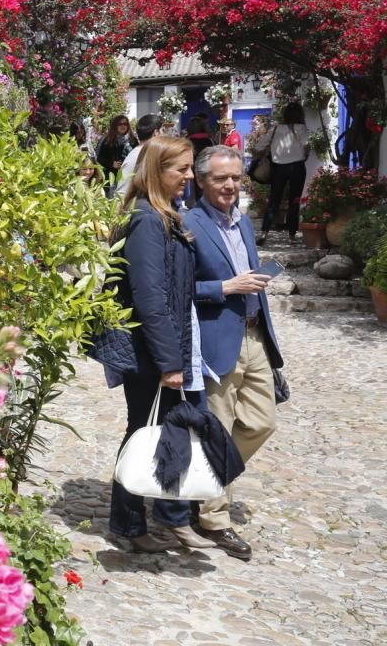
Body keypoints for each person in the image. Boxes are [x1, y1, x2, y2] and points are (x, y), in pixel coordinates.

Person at [108, 136, 214, 552]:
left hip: (165, 348)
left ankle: (160, 519)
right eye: (181, 169)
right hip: (149, 351)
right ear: (156, 172)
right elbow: (151, 298)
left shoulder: (164, 215)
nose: (189, 177)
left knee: (159, 431)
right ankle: (129, 524)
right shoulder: (147, 220)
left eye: (189, 168)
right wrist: (171, 363)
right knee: (143, 433)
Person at [184, 146, 284, 560]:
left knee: (262, 422)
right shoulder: (189, 224)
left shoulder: (243, 223)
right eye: (221, 178)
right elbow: (180, 288)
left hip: (253, 333)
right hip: (215, 341)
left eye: (236, 178)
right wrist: (225, 287)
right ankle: (213, 518)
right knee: (218, 429)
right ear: (202, 181)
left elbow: (249, 274)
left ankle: (202, 482)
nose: (230, 185)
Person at [252, 101, 310, 245]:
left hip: (278, 168)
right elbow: (306, 146)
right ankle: (292, 236)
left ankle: (264, 234)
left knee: (274, 201)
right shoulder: (301, 128)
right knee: (294, 201)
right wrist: (304, 156)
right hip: (297, 167)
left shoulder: (275, 128)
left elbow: (259, 146)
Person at [114, 114, 162, 200]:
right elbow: (121, 193)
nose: (164, 134)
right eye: (162, 131)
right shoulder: (136, 157)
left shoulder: (149, 153)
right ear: (156, 133)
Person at [94, 115, 137, 192]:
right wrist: (111, 164)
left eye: (125, 124)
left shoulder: (133, 140)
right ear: (115, 126)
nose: (123, 126)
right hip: (111, 177)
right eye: (119, 124)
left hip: (129, 176)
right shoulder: (107, 140)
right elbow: (99, 158)